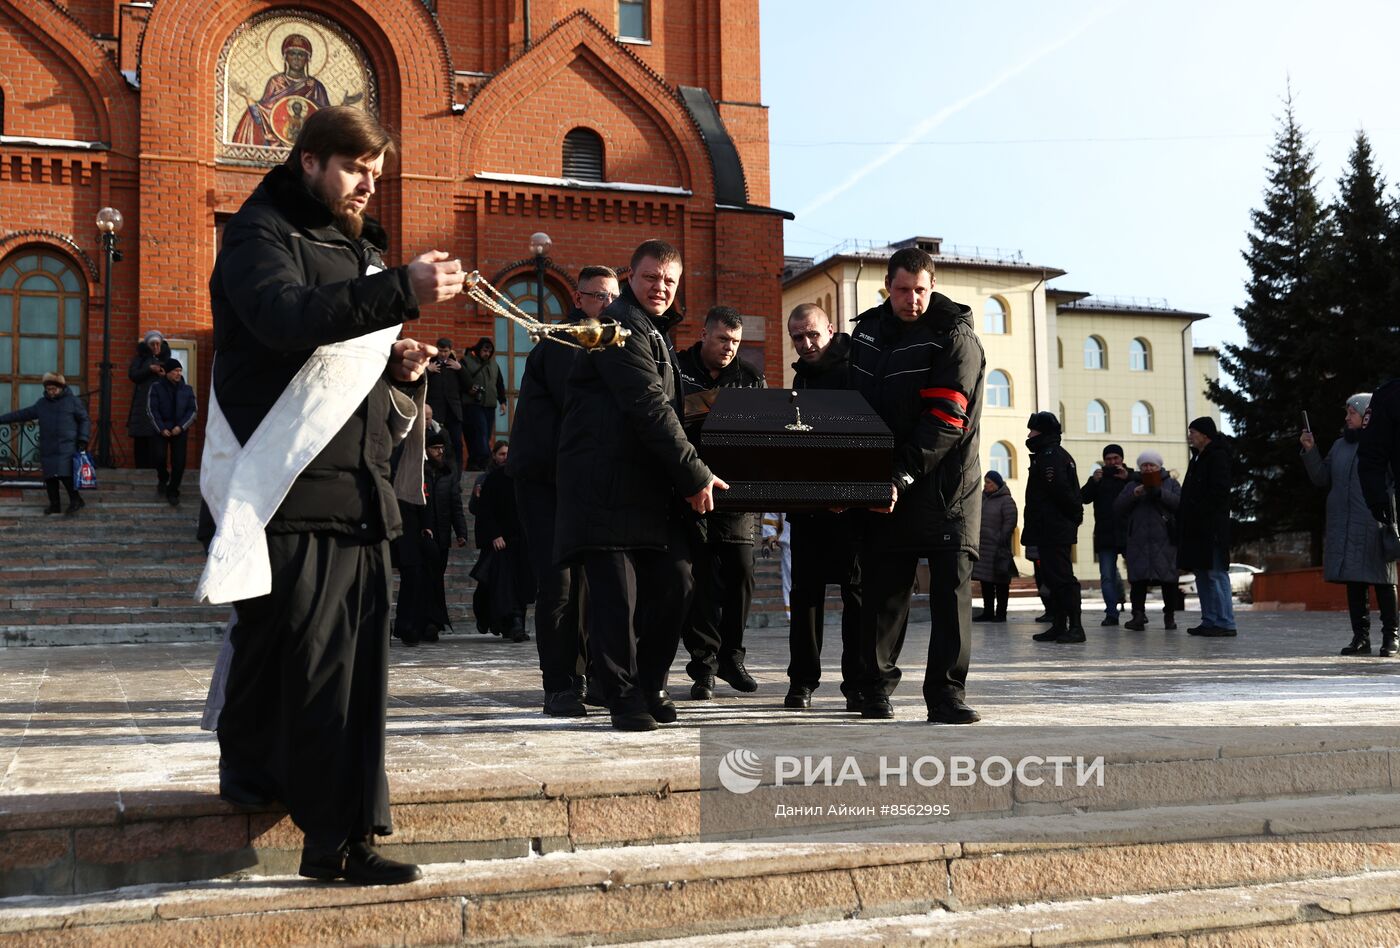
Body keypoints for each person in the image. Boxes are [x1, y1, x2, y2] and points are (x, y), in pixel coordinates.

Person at [201, 105, 466, 886]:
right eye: (356, 170)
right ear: (311, 159)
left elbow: (336, 359)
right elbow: (284, 322)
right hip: (286, 487)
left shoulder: (352, 249)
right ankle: (328, 839)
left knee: (346, 674)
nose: (367, 187)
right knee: (306, 665)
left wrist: (397, 369)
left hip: (356, 488)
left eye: (376, 175)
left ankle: (310, 807)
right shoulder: (259, 234)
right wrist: (398, 291)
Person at [554, 239, 726, 732]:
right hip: (604, 485)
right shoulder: (618, 328)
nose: (661, 288)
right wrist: (695, 473)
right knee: (616, 599)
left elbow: (669, 407)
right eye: (651, 277)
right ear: (630, 275)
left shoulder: (654, 331)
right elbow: (648, 405)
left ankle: (648, 684)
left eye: (669, 281)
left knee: (677, 579)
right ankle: (624, 696)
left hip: (646, 489)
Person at [848, 247, 985, 724]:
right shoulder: (865, 332)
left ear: (933, 285)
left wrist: (899, 475)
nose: (912, 300)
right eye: (903, 290)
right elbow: (848, 404)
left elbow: (947, 418)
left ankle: (946, 696)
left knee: (950, 593)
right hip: (886, 486)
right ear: (888, 286)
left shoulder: (954, 335)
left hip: (946, 487)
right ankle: (874, 691)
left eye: (921, 290)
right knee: (884, 591)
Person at [509, 265, 618, 716]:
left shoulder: (607, 341)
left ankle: (589, 678)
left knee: (589, 586)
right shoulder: (563, 340)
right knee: (558, 585)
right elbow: (580, 407)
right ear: (578, 298)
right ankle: (560, 685)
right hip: (544, 480)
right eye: (599, 297)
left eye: (615, 296)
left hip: (582, 479)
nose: (609, 306)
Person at [677, 306, 766, 699]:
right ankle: (704, 667)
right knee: (698, 582)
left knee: (741, 575)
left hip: (735, 493)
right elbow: (668, 420)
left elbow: (763, 431)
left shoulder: (750, 378)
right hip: (689, 490)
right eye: (722, 339)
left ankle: (732, 657)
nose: (729, 348)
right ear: (704, 334)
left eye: (735, 341)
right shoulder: (677, 368)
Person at [782, 304, 864, 710]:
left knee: (857, 595)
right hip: (808, 505)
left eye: (812, 333)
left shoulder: (857, 368)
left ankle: (858, 685)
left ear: (830, 329)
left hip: (851, 508)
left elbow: (865, 434)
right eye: (797, 337)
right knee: (805, 596)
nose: (806, 343)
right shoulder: (802, 377)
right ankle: (802, 683)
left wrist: (846, 492)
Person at [1302, 394, 1397, 656]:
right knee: (1354, 582)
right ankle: (1360, 638)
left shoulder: (1384, 443)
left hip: (1373, 522)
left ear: (1367, 415)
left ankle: (1392, 638)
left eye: (1351, 413)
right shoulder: (1339, 446)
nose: (1346, 418)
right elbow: (1322, 478)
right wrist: (1311, 450)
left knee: (1383, 581)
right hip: (1343, 524)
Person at [394, 430, 467, 645]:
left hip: (439, 537)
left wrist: (461, 531)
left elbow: (455, 505)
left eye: (442, 449)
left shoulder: (447, 474)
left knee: (434, 581)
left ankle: (432, 623)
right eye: (435, 449)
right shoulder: (416, 472)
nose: (440, 452)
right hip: (417, 536)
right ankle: (415, 624)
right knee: (416, 580)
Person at [1024, 412, 1086, 644]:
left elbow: (1061, 492)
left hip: (1054, 528)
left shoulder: (1050, 456)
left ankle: (1076, 627)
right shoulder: (1046, 455)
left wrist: (1074, 516)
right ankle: (1060, 625)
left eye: (1033, 431)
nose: (1029, 435)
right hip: (1049, 527)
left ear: (1043, 433)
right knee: (1052, 577)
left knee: (1062, 578)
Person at [1178, 416, 1237, 637]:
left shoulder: (1217, 457)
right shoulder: (1198, 459)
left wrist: (1201, 512)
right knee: (1202, 573)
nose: (1189, 436)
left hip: (1211, 527)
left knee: (1215, 573)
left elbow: (1218, 493)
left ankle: (1225, 622)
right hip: (1196, 528)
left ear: (1204, 434)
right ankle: (1209, 620)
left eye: (1192, 432)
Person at [0, 372, 89, 516]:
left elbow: (84, 419)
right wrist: (1, 419)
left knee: (65, 475)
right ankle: (55, 505)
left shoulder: (72, 402)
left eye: (54, 389)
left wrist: (83, 439)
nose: (51, 392)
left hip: (67, 445)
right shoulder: (42, 404)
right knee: (50, 478)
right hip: (48, 445)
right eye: (48, 389)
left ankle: (76, 500)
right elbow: (22, 414)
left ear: (61, 387)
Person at [469, 440, 533, 641]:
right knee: (502, 585)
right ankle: (512, 623)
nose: (506, 457)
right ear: (495, 456)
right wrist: (494, 535)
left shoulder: (524, 478)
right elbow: (485, 511)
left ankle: (516, 624)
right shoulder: (492, 479)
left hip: (521, 542)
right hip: (501, 544)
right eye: (502, 454)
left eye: (509, 453)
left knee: (518, 584)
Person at [1114, 450, 1182, 631]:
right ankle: (1137, 616)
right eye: (1144, 465)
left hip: (1165, 540)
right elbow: (1117, 508)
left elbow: (1180, 504)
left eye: (1152, 465)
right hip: (1138, 540)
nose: (1148, 468)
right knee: (1138, 581)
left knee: (1168, 580)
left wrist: (1160, 493)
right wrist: (1134, 495)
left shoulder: (1171, 483)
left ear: (1159, 467)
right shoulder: (1132, 485)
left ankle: (1169, 616)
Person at [1081, 444, 1133, 626]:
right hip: (1105, 534)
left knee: (1135, 574)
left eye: (1115, 458)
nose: (1112, 462)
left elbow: (1146, 488)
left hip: (1129, 533)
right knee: (1107, 576)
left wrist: (1128, 478)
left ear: (1122, 459)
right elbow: (1083, 497)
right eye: (1108, 459)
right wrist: (1093, 482)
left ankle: (1138, 612)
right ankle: (1111, 613)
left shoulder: (1131, 476)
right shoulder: (1098, 477)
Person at [146, 358, 197, 507]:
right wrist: (161, 428)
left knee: (179, 463)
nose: (178, 373)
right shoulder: (156, 387)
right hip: (161, 430)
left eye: (180, 371)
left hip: (179, 431)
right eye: (175, 371)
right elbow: (151, 409)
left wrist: (181, 427)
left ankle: (173, 491)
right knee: (159, 457)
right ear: (167, 372)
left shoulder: (187, 389)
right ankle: (163, 477)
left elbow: (192, 410)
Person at [127, 330, 171, 494]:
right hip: (141, 406)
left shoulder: (167, 359)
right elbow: (133, 375)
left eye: (158, 344)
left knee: (158, 445)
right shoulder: (140, 359)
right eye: (152, 344)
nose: (155, 347)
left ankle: (160, 478)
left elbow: (176, 377)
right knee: (141, 442)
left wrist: (162, 373)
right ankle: (140, 477)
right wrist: (149, 369)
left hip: (160, 407)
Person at [971, 471, 1018, 623]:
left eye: (989, 483)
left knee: (1001, 582)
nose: (986, 486)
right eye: (985, 483)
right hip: (983, 549)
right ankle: (988, 612)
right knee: (986, 582)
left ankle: (1001, 613)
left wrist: (1000, 539)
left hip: (998, 549)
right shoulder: (983, 499)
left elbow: (1010, 522)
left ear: (997, 484)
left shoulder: (1006, 500)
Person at [461, 337, 506, 470]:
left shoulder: (493, 365)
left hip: (490, 405)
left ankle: (474, 463)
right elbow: (461, 381)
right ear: (478, 349)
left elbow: (499, 384)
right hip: (473, 404)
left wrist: (502, 402)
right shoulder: (467, 361)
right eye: (485, 350)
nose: (487, 353)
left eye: (489, 351)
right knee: (479, 432)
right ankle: (485, 459)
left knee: (484, 435)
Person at [425, 337, 465, 469]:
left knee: (456, 443)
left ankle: (457, 472)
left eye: (446, 351)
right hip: (436, 411)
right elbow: (418, 383)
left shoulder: (455, 364)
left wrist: (460, 369)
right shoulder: (429, 362)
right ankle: (436, 469)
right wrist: (427, 371)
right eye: (440, 351)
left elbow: (469, 385)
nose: (443, 354)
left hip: (453, 412)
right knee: (436, 442)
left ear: (450, 350)